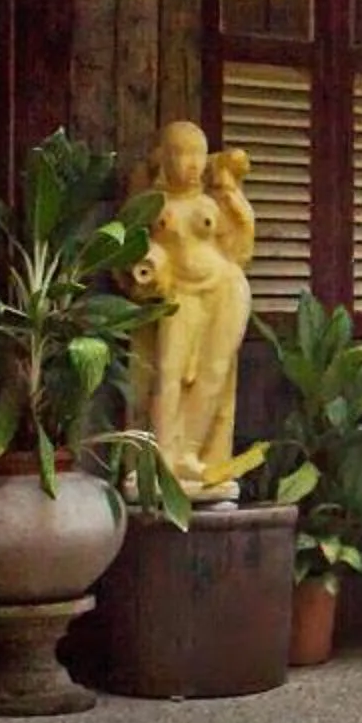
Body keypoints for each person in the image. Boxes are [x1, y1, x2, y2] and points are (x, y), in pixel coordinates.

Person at [130, 121, 256, 495]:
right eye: (181, 154)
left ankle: (190, 453)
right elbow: (134, 248)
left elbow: (240, 244)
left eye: (198, 154)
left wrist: (234, 199)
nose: (191, 163)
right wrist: (150, 267)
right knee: (168, 372)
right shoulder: (153, 205)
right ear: (164, 158)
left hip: (225, 289)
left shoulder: (211, 201)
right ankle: (161, 455)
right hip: (178, 296)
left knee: (214, 373)